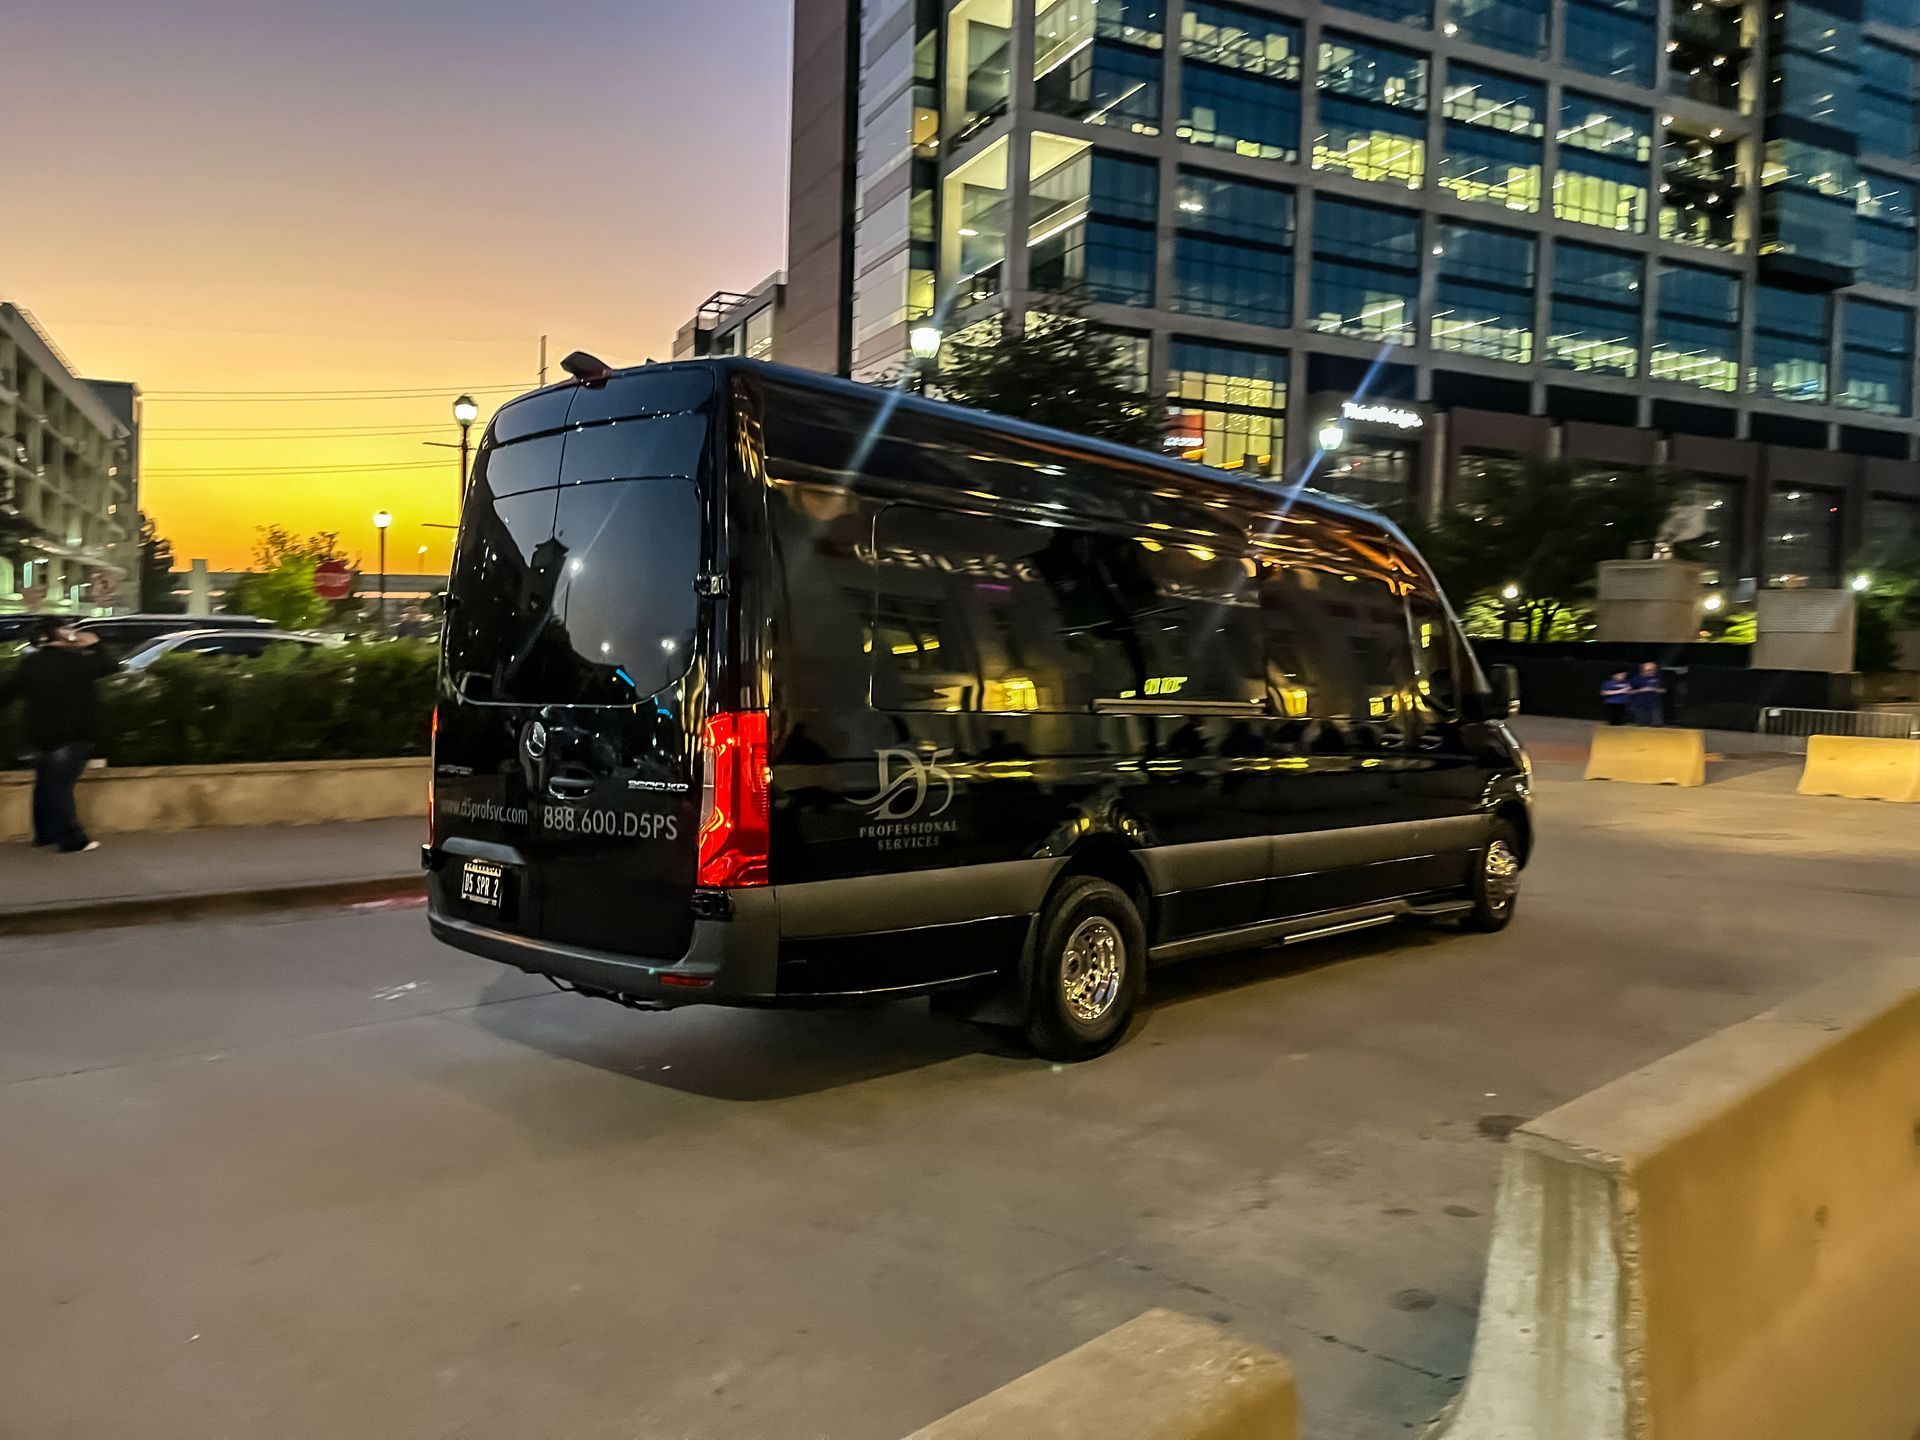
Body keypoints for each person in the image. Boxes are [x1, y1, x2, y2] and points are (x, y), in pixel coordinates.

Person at [0, 619, 115, 852]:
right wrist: (95, 644)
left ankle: (44, 834)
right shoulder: (77, 662)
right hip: (73, 734)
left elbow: (8, 693)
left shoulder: (31, 662)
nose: (73, 632)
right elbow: (110, 665)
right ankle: (71, 839)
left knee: (45, 785)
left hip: (41, 735)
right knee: (60, 788)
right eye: (68, 629)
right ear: (58, 633)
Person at [1626, 661, 1666, 728]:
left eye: (1653, 669)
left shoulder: (1658, 677)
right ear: (1642, 670)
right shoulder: (1635, 679)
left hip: (1654, 706)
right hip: (1639, 706)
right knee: (1642, 725)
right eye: (1649, 670)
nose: (1651, 671)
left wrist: (1653, 689)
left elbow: (1664, 690)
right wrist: (1641, 690)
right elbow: (1628, 692)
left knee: (1657, 725)